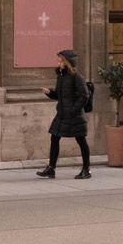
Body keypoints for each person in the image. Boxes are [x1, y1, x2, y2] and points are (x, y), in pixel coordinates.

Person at [37, 49, 91, 180]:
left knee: (81, 140)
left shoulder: (77, 78)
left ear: (68, 63)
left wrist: (73, 110)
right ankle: (51, 168)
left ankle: (86, 169)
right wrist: (49, 92)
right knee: (54, 137)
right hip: (62, 113)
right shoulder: (61, 76)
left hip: (74, 115)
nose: (58, 63)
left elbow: (85, 96)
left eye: (61, 61)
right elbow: (60, 96)